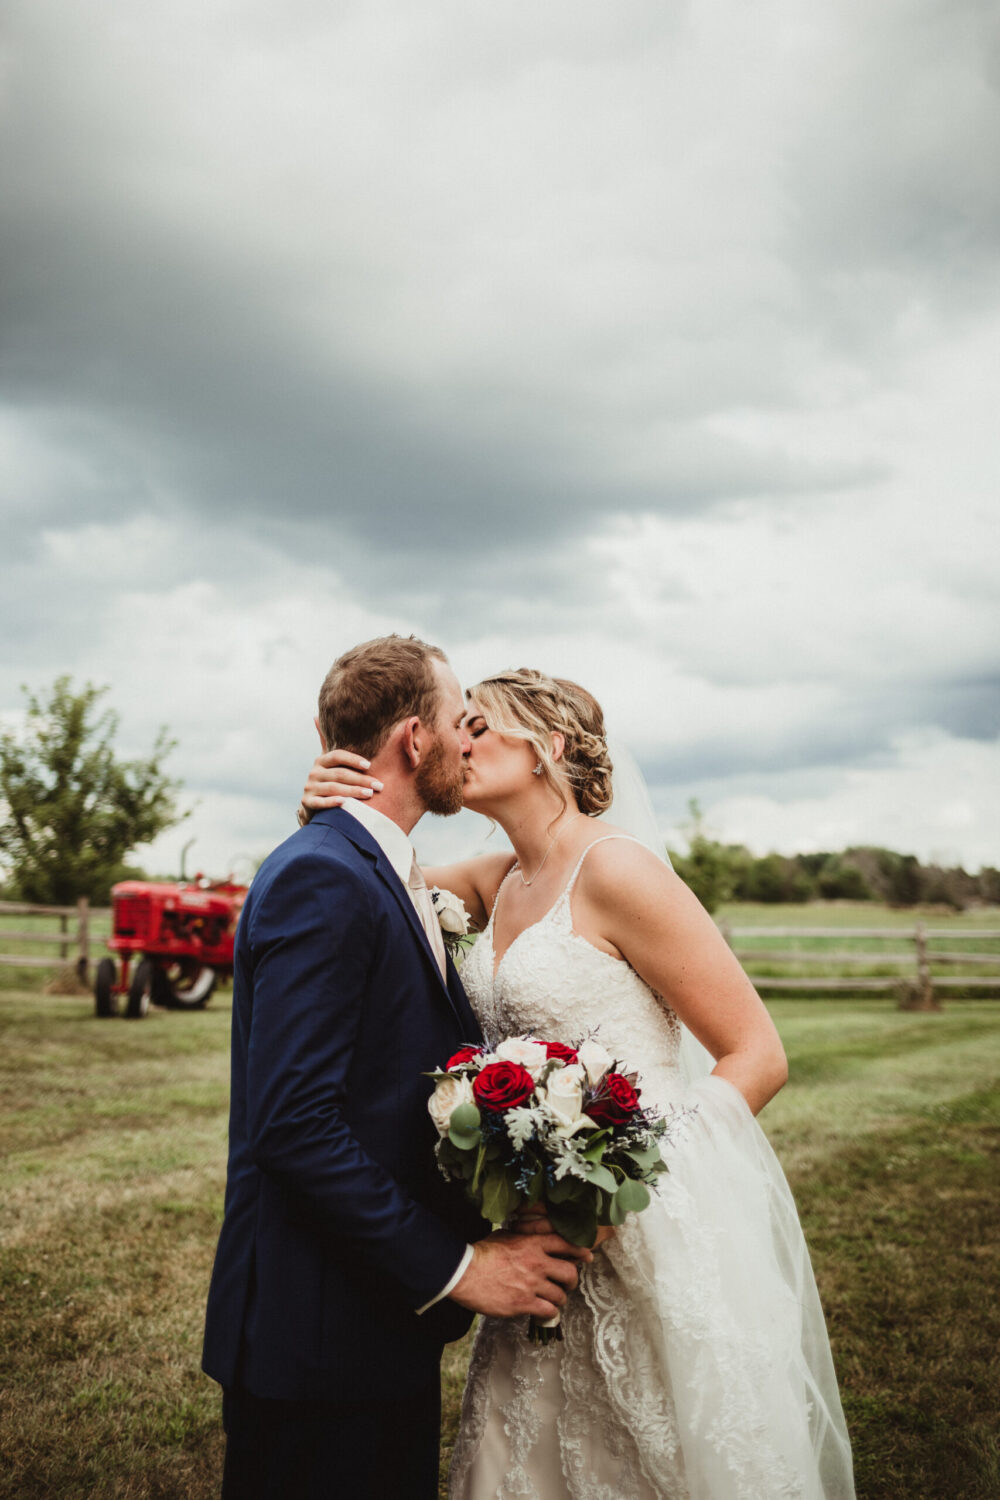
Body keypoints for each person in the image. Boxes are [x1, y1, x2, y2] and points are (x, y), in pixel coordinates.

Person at [300, 666, 856, 1500]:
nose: (458, 741)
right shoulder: (496, 880)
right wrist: (327, 810)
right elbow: (358, 883)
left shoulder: (618, 871)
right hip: (535, 1228)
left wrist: (621, 1183)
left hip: (639, 1211)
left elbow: (757, 1054)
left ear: (548, 747)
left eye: (479, 726)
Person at [202, 638, 593, 1500]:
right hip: (317, 1341)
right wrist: (462, 1268)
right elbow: (293, 1128)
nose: (467, 740)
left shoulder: (378, 868)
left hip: (370, 1327)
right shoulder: (325, 875)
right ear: (415, 740)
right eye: (460, 722)